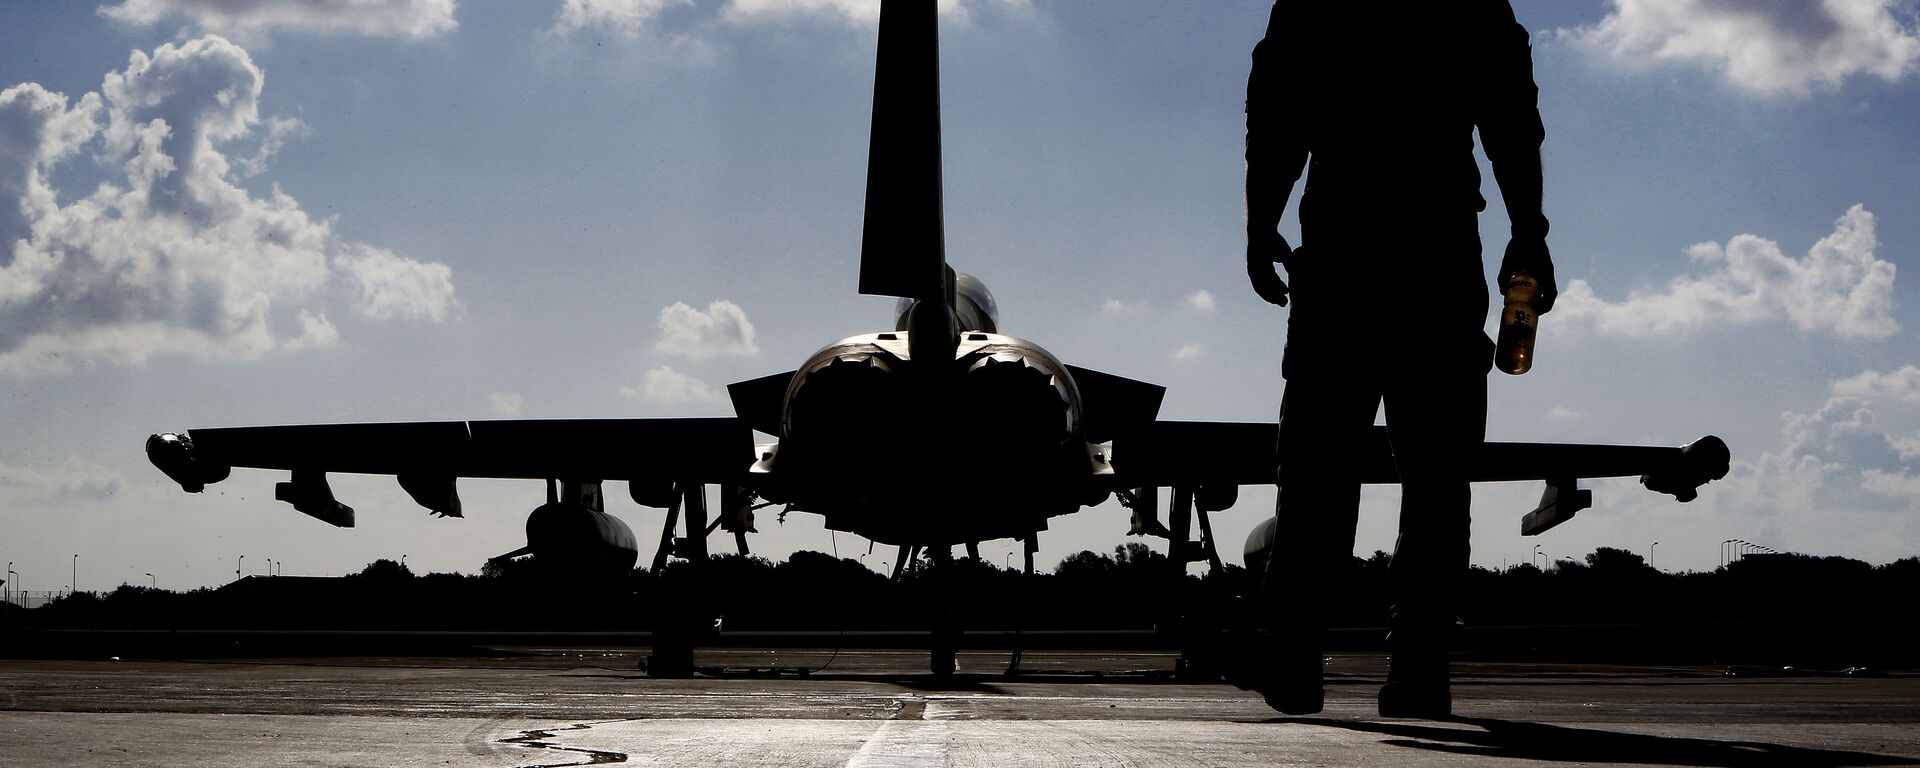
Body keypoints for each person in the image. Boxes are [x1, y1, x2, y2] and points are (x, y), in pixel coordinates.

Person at [1242, 0, 1558, 718]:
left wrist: (1262, 220)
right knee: (1438, 473)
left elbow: (1277, 108)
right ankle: (1418, 667)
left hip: (1345, 241)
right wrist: (1528, 230)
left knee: (1319, 464)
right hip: (1436, 245)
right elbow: (1512, 115)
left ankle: (1295, 653)